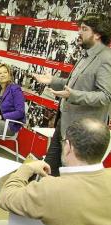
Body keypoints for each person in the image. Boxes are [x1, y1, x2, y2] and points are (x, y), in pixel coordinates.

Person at [32, 13, 111, 176]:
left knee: (67, 176)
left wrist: (73, 95)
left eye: (84, 29)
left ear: (97, 34)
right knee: (47, 169)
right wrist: (52, 80)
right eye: (79, 28)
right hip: (65, 124)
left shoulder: (106, 58)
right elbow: (73, 85)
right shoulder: (86, 54)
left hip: (82, 134)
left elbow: (105, 97)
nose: (79, 32)